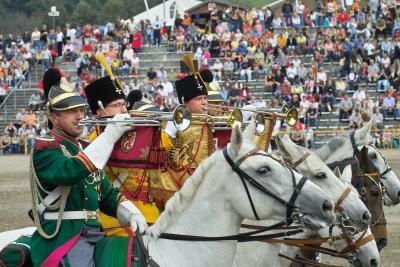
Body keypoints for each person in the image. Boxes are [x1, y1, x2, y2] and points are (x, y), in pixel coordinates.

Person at [29, 68, 148, 266]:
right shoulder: (46, 148)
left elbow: (108, 194)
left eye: (81, 109)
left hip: (95, 233)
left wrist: (132, 213)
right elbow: (71, 171)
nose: (78, 116)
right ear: (53, 116)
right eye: (70, 111)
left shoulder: (86, 148)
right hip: (63, 237)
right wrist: (109, 136)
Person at [84, 75, 160, 236]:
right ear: (99, 111)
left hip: (151, 213)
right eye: (117, 105)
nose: (124, 110)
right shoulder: (95, 141)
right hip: (116, 220)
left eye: (124, 104)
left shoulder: (144, 132)